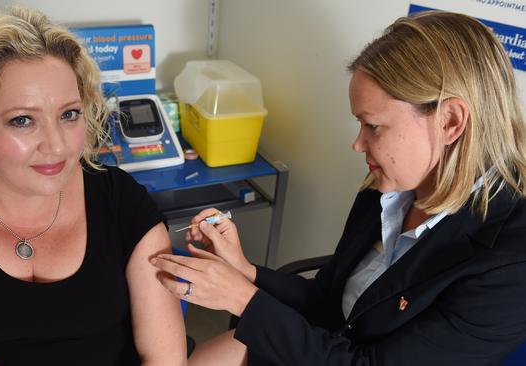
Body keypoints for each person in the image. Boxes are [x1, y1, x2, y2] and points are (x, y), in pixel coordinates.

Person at [151, 10, 526, 365]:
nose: (358, 144)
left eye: (372, 126)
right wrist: (246, 273)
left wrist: (243, 299)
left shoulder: (509, 261)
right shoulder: (386, 191)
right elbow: (332, 303)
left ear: (450, 121)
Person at [0, 6, 186, 366]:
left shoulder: (119, 199)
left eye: (69, 114)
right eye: (22, 120)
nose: (56, 145)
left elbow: (165, 357)